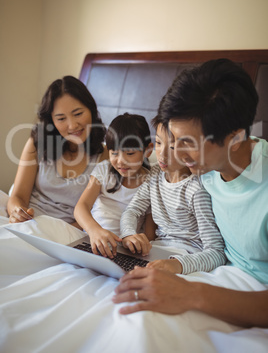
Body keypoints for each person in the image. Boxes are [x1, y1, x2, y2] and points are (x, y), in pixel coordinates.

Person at [113, 59, 268, 328]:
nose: (176, 155)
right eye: (172, 140)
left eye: (187, 144)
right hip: (218, 276)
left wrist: (192, 294)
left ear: (235, 139)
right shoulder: (203, 168)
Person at [120, 115, 226, 275]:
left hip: (187, 259)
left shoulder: (196, 190)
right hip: (155, 252)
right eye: (158, 143)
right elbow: (132, 211)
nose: (162, 154)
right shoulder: (154, 174)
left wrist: (177, 265)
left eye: (172, 147)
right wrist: (129, 234)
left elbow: (216, 252)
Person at [7, 76, 108, 225]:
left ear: (91, 110)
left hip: (67, 232)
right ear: (52, 122)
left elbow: (96, 215)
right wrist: (18, 213)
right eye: (61, 118)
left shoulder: (105, 156)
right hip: (28, 224)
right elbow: (18, 196)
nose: (72, 125)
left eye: (78, 114)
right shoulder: (37, 143)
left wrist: (58, 236)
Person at [74, 113, 154, 258]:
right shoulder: (103, 169)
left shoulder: (151, 183)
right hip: (92, 240)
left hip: (124, 251)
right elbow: (81, 207)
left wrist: (138, 243)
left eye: (130, 153)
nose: (120, 161)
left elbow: (150, 234)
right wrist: (95, 231)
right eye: (114, 153)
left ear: (148, 150)